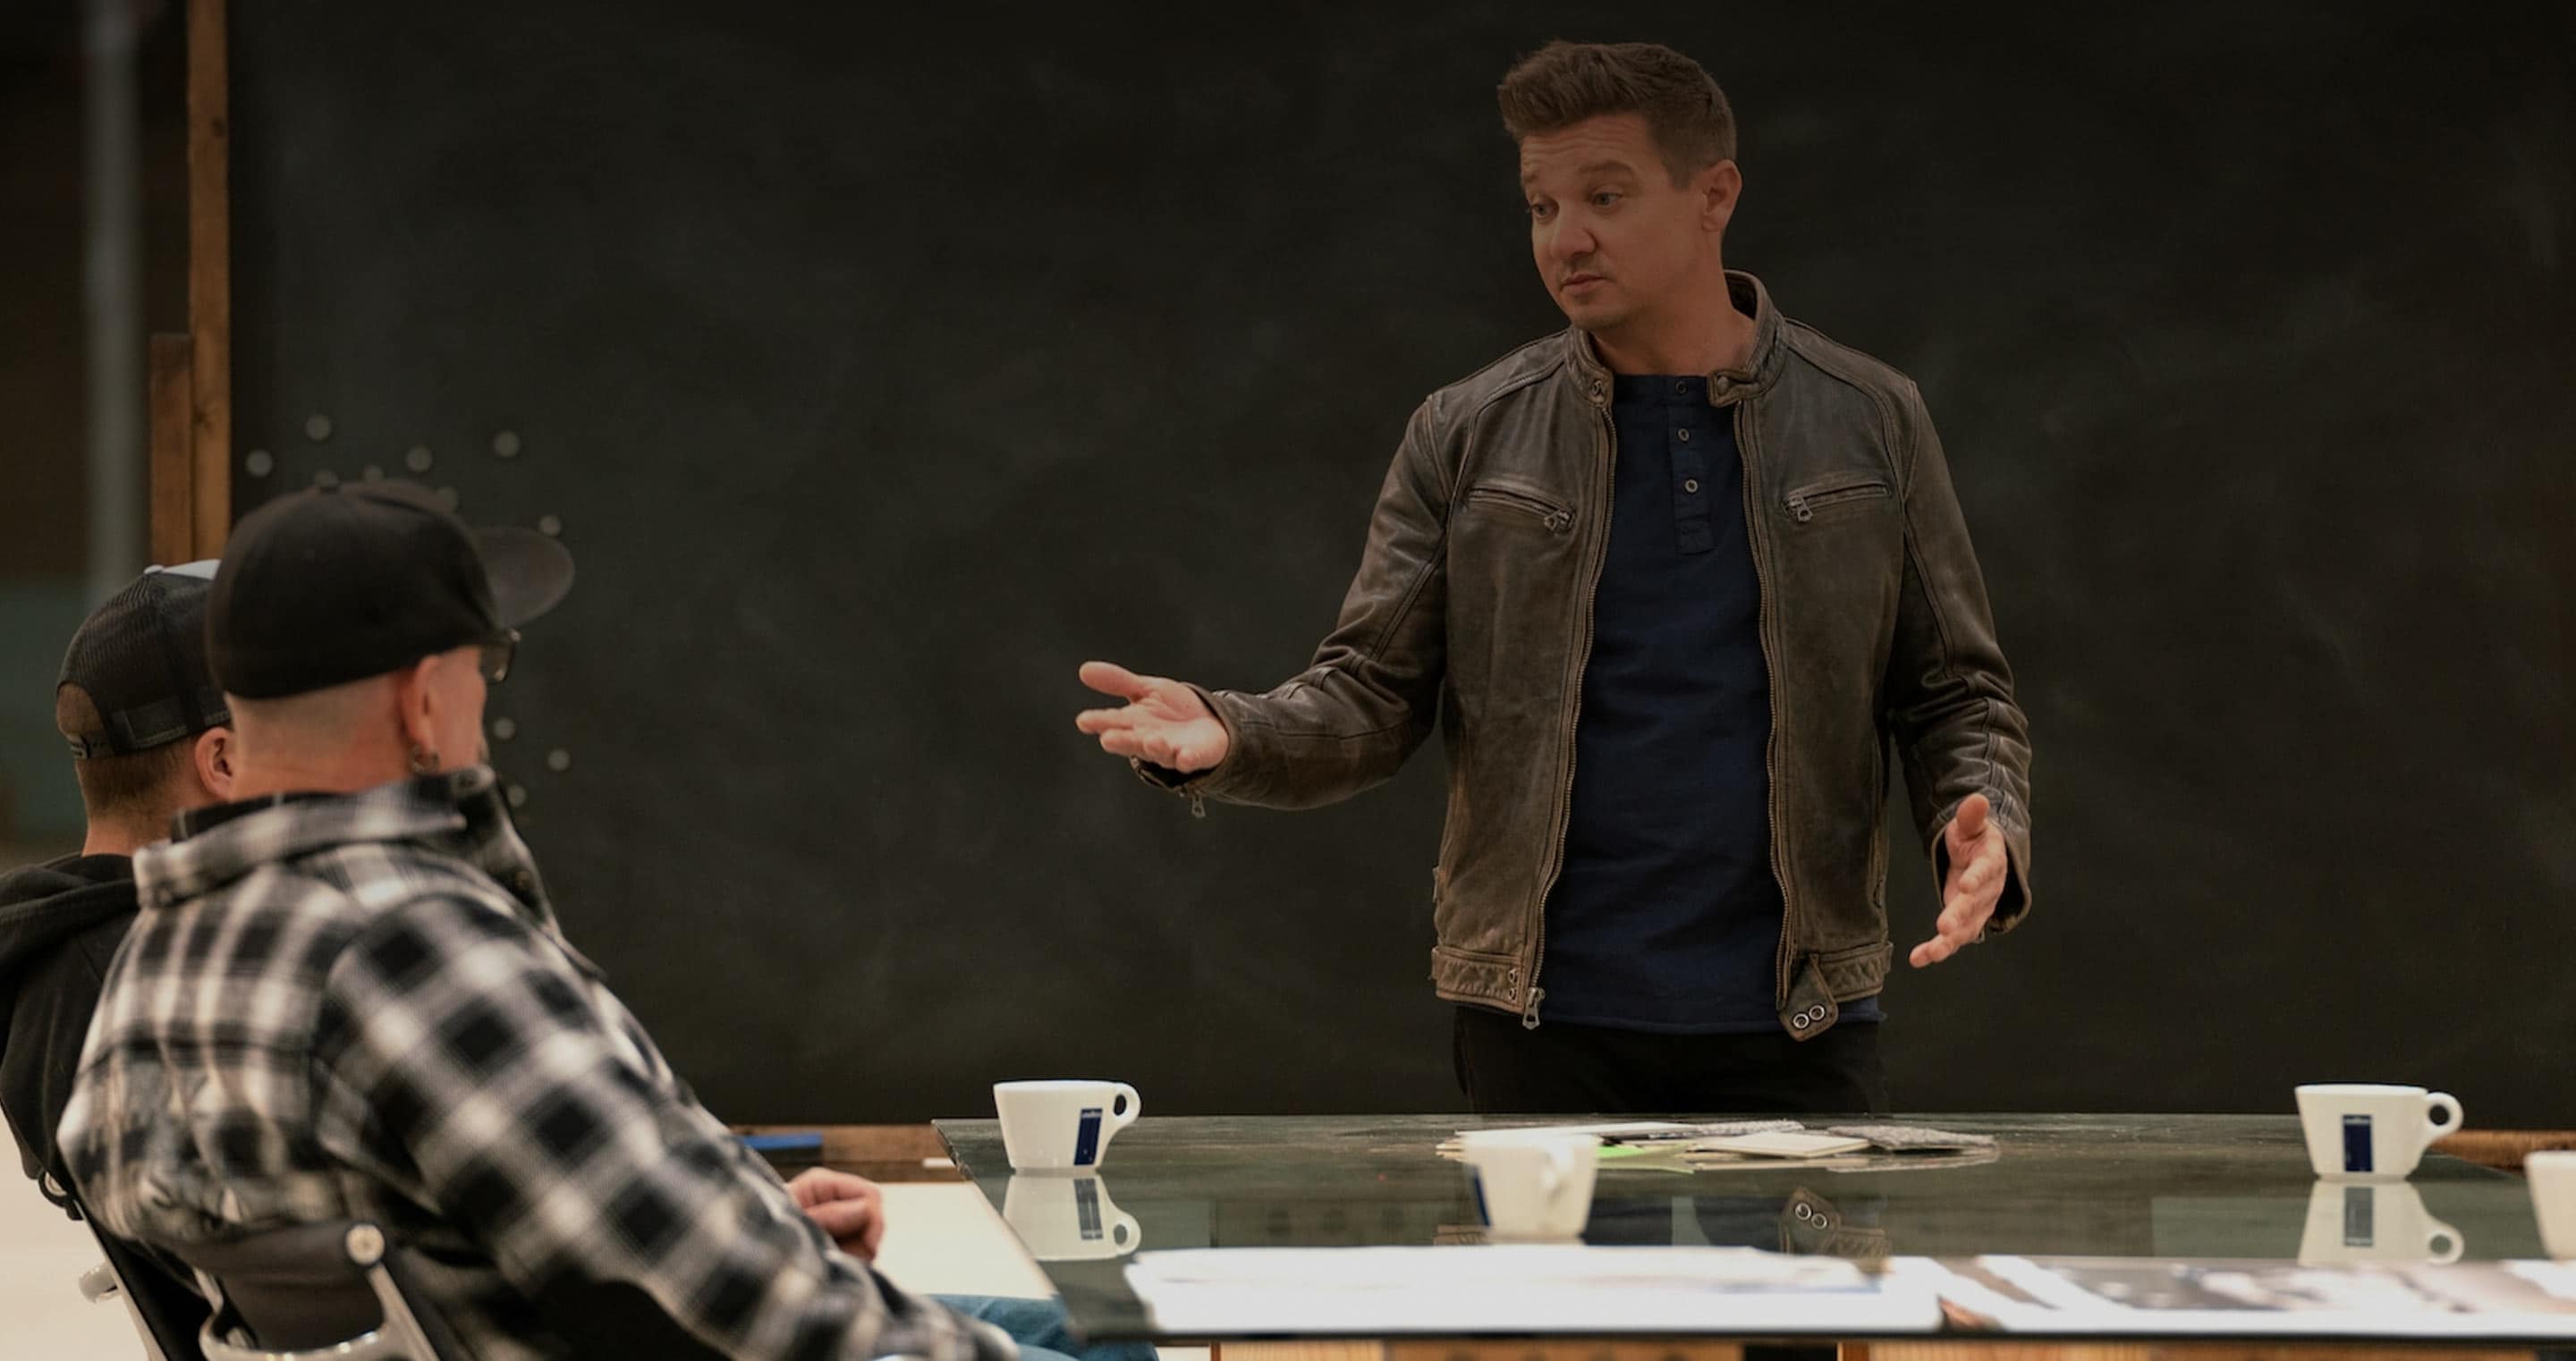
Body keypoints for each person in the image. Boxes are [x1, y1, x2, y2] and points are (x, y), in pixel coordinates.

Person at [1078, 41, 2033, 1115]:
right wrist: (1232, 732)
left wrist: (1983, 818)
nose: (1564, 237)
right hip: (1540, 1019)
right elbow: (1372, 694)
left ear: (1714, 196)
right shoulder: (1467, 430)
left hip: (1801, 1015)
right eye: (1541, 206)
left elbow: (1955, 691)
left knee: (1811, 1245)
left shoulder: (1868, 416)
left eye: (1604, 197)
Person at [58, 483, 1133, 1361]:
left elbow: (558, 1219)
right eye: (485, 668)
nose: (488, 700)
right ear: (423, 701)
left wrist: (748, 1221)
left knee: (1088, 1332)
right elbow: (738, 1309)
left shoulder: (160, 956)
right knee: (1107, 1341)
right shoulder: (410, 947)